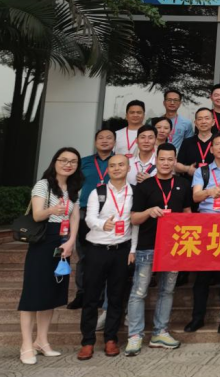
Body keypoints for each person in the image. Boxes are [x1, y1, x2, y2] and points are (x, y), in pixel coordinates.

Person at [124, 143, 190, 355]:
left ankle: (160, 332)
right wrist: (149, 212)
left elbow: (188, 213)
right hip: (147, 246)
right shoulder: (145, 186)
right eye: (162, 159)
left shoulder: (183, 184)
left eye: (170, 159)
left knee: (167, 291)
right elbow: (134, 218)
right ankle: (135, 336)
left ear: (175, 161)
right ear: (156, 160)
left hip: (173, 248)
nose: (166, 163)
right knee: (139, 292)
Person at [18, 148, 81, 365]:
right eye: (63, 160)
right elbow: (37, 215)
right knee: (32, 294)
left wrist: (71, 241)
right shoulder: (43, 184)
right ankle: (26, 345)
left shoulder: (73, 187)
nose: (68, 164)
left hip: (62, 242)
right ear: (55, 162)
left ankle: (42, 341)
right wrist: (52, 210)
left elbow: (75, 216)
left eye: (73, 161)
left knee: (51, 293)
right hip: (43, 241)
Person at [78, 154, 132, 361]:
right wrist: (103, 224)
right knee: (91, 297)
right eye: (112, 166)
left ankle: (111, 339)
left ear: (128, 168)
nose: (117, 168)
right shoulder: (98, 192)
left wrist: (133, 250)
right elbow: (89, 218)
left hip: (121, 250)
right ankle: (87, 341)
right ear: (107, 169)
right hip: (97, 250)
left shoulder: (133, 193)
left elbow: (134, 225)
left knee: (116, 296)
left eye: (121, 165)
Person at [186, 133, 220, 334]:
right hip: (206, 225)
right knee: (202, 276)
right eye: (217, 144)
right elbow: (195, 196)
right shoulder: (203, 171)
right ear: (211, 149)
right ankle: (197, 317)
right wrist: (209, 192)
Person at [70, 130, 115, 310]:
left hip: (110, 215)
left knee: (105, 257)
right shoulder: (84, 162)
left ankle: (101, 296)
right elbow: (73, 185)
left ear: (114, 142)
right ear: (95, 142)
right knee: (84, 255)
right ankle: (81, 293)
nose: (104, 141)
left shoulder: (118, 162)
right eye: (100, 138)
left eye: (109, 138)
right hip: (84, 212)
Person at [175, 108, 215, 177]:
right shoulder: (187, 142)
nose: (203, 122)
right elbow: (177, 165)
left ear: (213, 122)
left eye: (207, 118)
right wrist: (187, 169)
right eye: (200, 119)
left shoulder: (219, 141)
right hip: (190, 181)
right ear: (195, 123)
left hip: (215, 181)